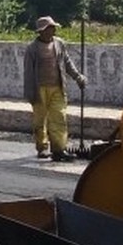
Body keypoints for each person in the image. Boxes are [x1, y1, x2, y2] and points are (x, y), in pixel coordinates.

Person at [22, 16, 87, 163]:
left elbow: (67, 62)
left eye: (53, 28)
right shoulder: (32, 48)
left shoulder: (59, 44)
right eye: (50, 28)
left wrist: (78, 77)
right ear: (42, 31)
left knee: (59, 117)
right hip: (39, 89)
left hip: (57, 87)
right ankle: (42, 147)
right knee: (40, 120)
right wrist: (30, 93)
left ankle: (59, 149)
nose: (53, 30)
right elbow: (28, 72)